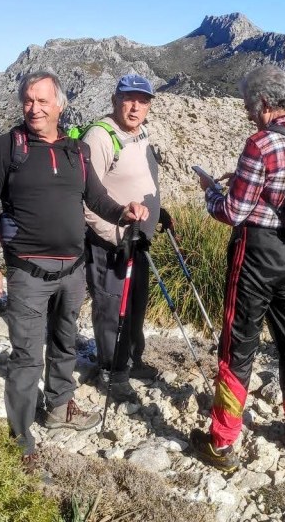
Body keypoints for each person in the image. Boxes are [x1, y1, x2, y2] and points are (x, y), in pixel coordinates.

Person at [0, 71, 149, 469]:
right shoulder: (6, 148)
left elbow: (96, 197)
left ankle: (59, 407)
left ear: (60, 105)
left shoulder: (76, 150)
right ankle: (20, 440)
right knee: (25, 357)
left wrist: (123, 211)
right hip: (27, 272)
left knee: (65, 342)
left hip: (73, 269)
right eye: (28, 100)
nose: (34, 108)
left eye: (42, 101)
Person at [190, 65, 285, 473]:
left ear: (264, 103)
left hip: (258, 255)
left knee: (238, 342)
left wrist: (211, 191)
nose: (247, 111)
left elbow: (233, 211)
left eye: (249, 104)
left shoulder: (261, 144)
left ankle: (222, 442)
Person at [82, 74, 163, 403]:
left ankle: (132, 359)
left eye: (142, 101)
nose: (135, 106)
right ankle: (111, 371)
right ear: (115, 99)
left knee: (136, 302)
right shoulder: (99, 137)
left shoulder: (140, 133)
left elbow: (141, 179)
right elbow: (85, 199)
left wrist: (160, 211)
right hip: (112, 243)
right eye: (128, 99)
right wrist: (114, 235)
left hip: (139, 240)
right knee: (111, 306)